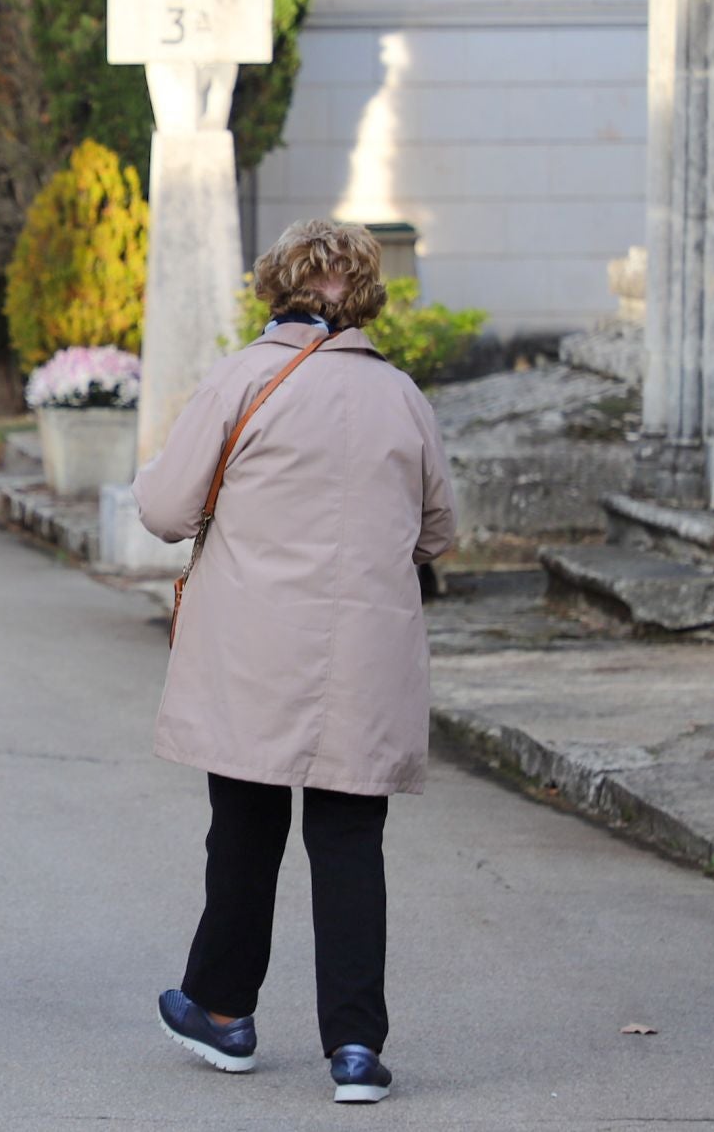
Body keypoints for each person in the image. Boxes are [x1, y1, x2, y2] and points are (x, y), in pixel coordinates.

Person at [134, 220, 457, 1106]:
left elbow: (163, 507)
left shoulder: (244, 377)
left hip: (252, 648)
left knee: (244, 827)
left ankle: (223, 1009)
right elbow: (439, 531)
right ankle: (356, 1047)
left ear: (277, 287)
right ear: (365, 298)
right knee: (351, 842)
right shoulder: (401, 396)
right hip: (368, 647)